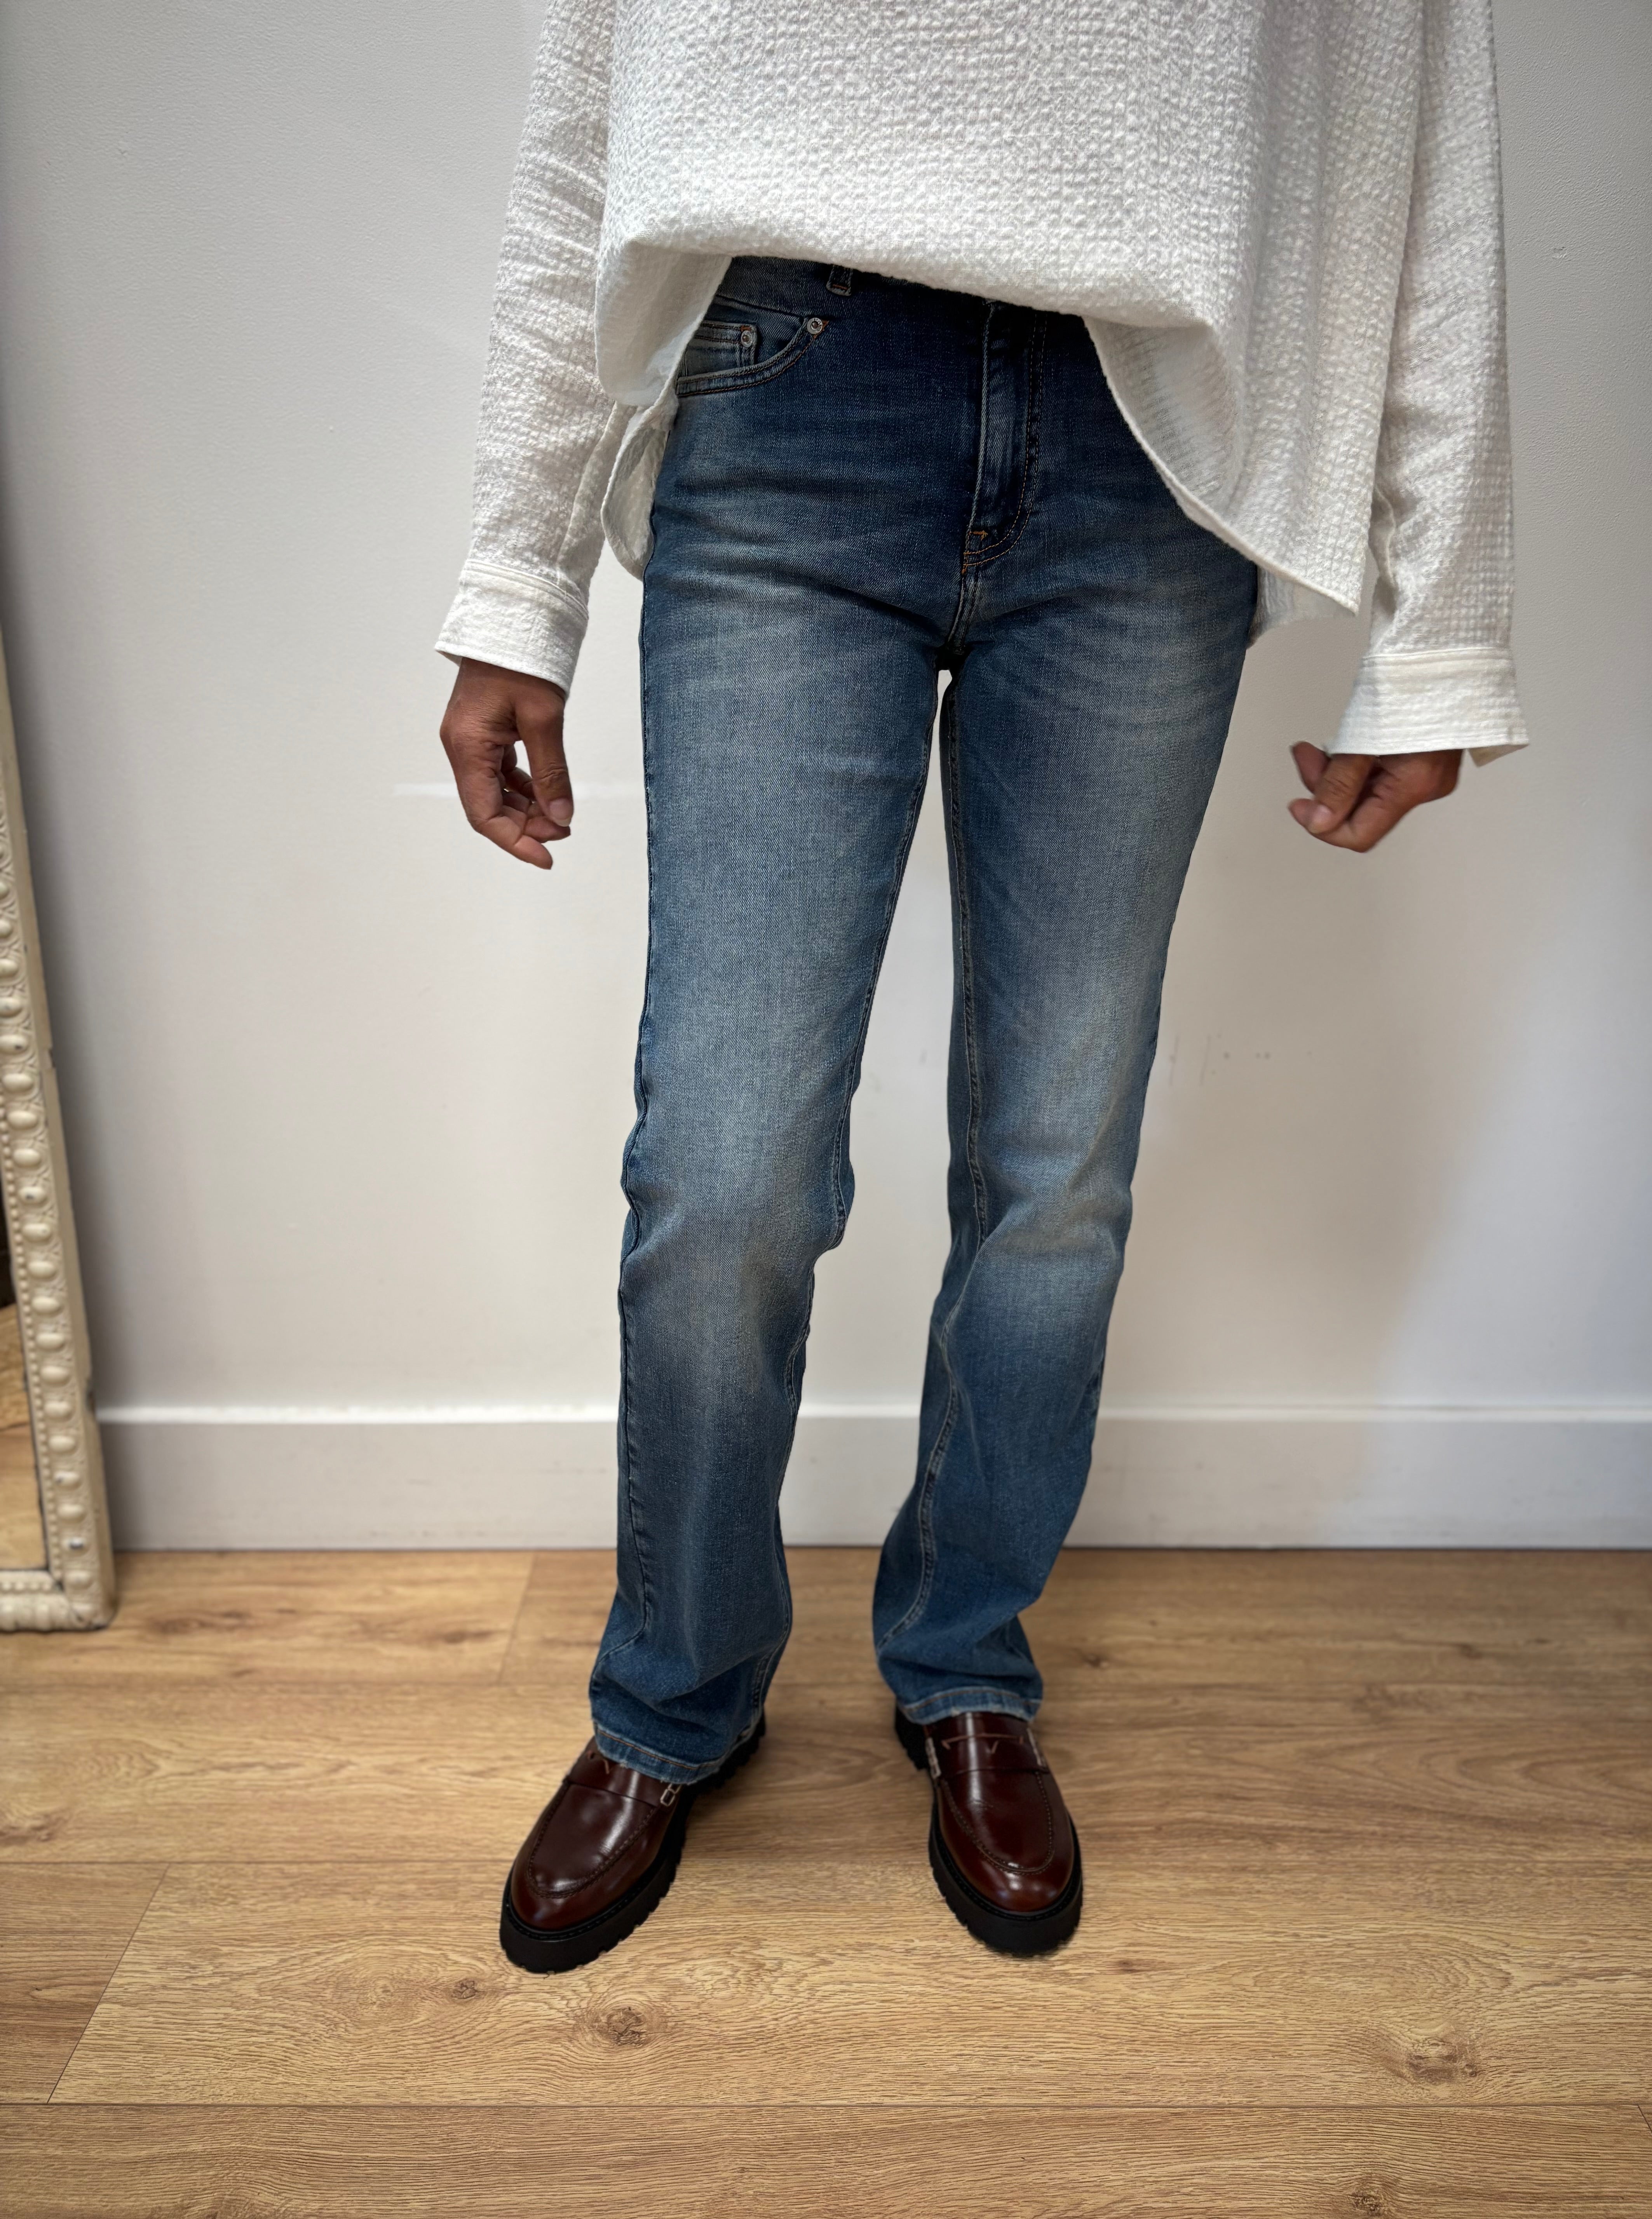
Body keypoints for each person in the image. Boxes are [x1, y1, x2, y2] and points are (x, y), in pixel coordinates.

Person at [437, 0, 1527, 1971]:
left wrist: (1438, 620)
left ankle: (964, 1665)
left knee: (1055, 1163)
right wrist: (518, 575)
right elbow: (592, 105)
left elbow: (1420, 116)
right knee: (727, 1165)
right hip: (790, 389)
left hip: (1155, 441)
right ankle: (675, 1691)